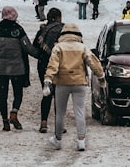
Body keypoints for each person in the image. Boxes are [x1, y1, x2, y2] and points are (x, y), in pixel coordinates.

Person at [43, 22, 104, 152]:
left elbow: (52, 65)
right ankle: (81, 140)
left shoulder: (58, 47)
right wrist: (101, 77)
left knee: (60, 112)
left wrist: (48, 79)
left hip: (62, 83)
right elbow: (93, 62)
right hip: (79, 82)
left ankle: (58, 140)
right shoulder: (82, 47)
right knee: (80, 111)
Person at [0, 5, 37, 131]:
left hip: (1, 68)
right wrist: (41, 55)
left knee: (2, 95)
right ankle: (14, 113)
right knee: (18, 93)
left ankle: (5, 121)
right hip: (17, 68)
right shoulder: (18, 31)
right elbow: (28, 48)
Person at [33, 7, 65, 133]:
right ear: (58, 17)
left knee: (47, 93)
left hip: (44, 65)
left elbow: (35, 46)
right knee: (59, 95)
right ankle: (59, 124)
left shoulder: (43, 31)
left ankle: (44, 122)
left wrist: (41, 56)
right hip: (61, 65)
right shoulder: (64, 30)